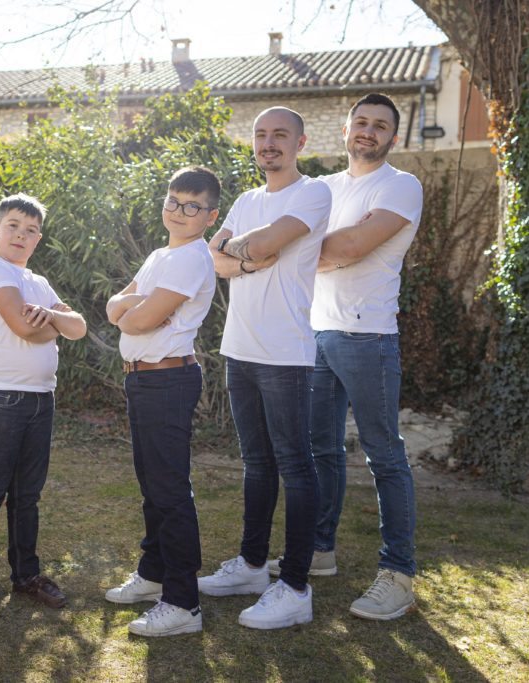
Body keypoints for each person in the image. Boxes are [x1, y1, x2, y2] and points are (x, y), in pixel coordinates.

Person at [273, 92, 422, 620]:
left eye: (380, 125)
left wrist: (311, 251)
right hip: (314, 332)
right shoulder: (324, 188)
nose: (369, 131)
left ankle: (398, 574)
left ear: (393, 137)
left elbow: (349, 247)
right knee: (321, 452)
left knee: (384, 455)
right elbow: (312, 250)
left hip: (368, 338)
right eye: (361, 122)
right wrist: (319, 252)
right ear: (345, 130)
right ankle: (320, 550)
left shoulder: (402, 186)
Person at [198, 107, 331, 630]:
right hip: (241, 348)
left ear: (300, 142)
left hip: (286, 352)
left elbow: (269, 242)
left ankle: (295, 586)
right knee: (256, 462)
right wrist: (246, 258)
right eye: (261, 135)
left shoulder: (314, 193)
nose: (269, 143)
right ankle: (253, 566)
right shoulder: (248, 199)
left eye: (280, 135)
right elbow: (214, 254)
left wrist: (242, 251)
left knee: (295, 464)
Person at [0, 194, 87, 625]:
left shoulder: (39, 282)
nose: (20, 235)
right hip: (1, 398)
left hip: (41, 399)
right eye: (12, 226)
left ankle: (26, 575)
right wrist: (54, 324)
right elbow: (26, 330)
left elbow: (79, 327)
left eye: (30, 230)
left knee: (27, 496)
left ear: (38, 239)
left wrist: (50, 317)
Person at [103, 166, 220, 637]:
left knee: (170, 490)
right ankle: (153, 576)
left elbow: (133, 319)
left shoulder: (192, 258)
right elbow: (116, 307)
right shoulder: (158, 255)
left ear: (210, 216)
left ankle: (183, 603)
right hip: (142, 380)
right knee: (153, 486)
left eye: (192, 206)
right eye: (173, 201)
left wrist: (133, 309)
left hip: (168, 381)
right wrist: (133, 309)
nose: (179, 211)